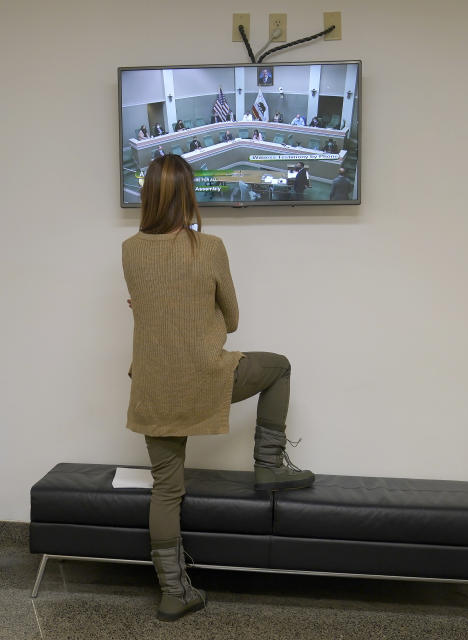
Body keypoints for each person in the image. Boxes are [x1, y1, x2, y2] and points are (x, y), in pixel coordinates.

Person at [122, 154, 315, 622]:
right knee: (280, 366)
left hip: (153, 386)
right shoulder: (208, 247)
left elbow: (152, 313)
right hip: (206, 378)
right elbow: (230, 320)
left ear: (148, 196)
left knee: (167, 490)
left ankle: (173, 591)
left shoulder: (129, 249)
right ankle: (267, 464)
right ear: (188, 194)